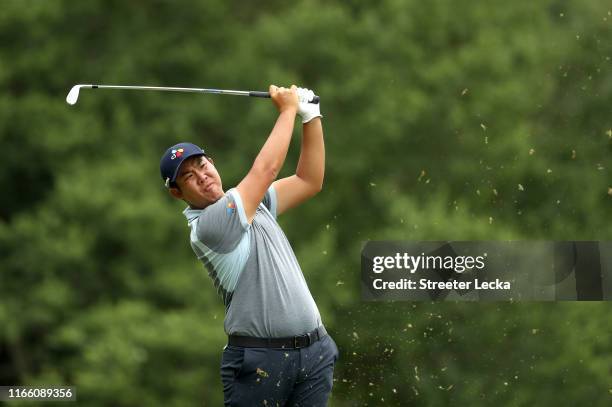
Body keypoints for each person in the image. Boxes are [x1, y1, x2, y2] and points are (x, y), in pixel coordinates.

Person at [159, 85, 339, 406]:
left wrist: (310, 116)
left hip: (314, 353)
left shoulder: (255, 205)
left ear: (212, 162)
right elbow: (265, 169)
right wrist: (287, 110)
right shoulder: (210, 227)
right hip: (260, 361)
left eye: (201, 165)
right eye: (187, 177)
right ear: (177, 193)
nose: (201, 176)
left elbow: (309, 181)